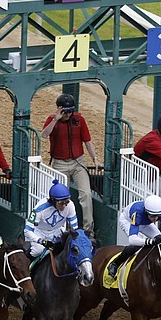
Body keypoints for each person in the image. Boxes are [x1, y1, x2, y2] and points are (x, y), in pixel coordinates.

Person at [41, 93, 100, 230]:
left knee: (86, 194)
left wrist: (95, 159)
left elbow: (87, 141)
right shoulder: (52, 119)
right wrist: (56, 119)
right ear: (59, 109)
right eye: (64, 111)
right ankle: (65, 229)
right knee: (61, 197)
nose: (67, 115)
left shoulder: (79, 119)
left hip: (78, 162)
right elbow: (44, 135)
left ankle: (88, 229)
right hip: (59, 164)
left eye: (69, 111)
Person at [107, 194, 161, 284]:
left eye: (158, 216)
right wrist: (150, 241)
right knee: (136, 245)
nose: (155, 219)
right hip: (129, 221)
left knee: (160, 241)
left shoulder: (159, 212)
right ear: (146, 212)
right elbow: (132, 239)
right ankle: (115, 264)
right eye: (153, 216)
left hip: (145, 223)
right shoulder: (138, 213)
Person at [24, 179, 79, 260]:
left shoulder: (70, 205)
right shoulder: (40, 208)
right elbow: (27, 230)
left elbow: (74, 228)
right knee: (38, 251)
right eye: (60, 203)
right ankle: (28, 265)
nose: (64, 206)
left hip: (57, 232)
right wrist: (41, 241)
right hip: (39, 233)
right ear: (53, 201)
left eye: (66, 202)